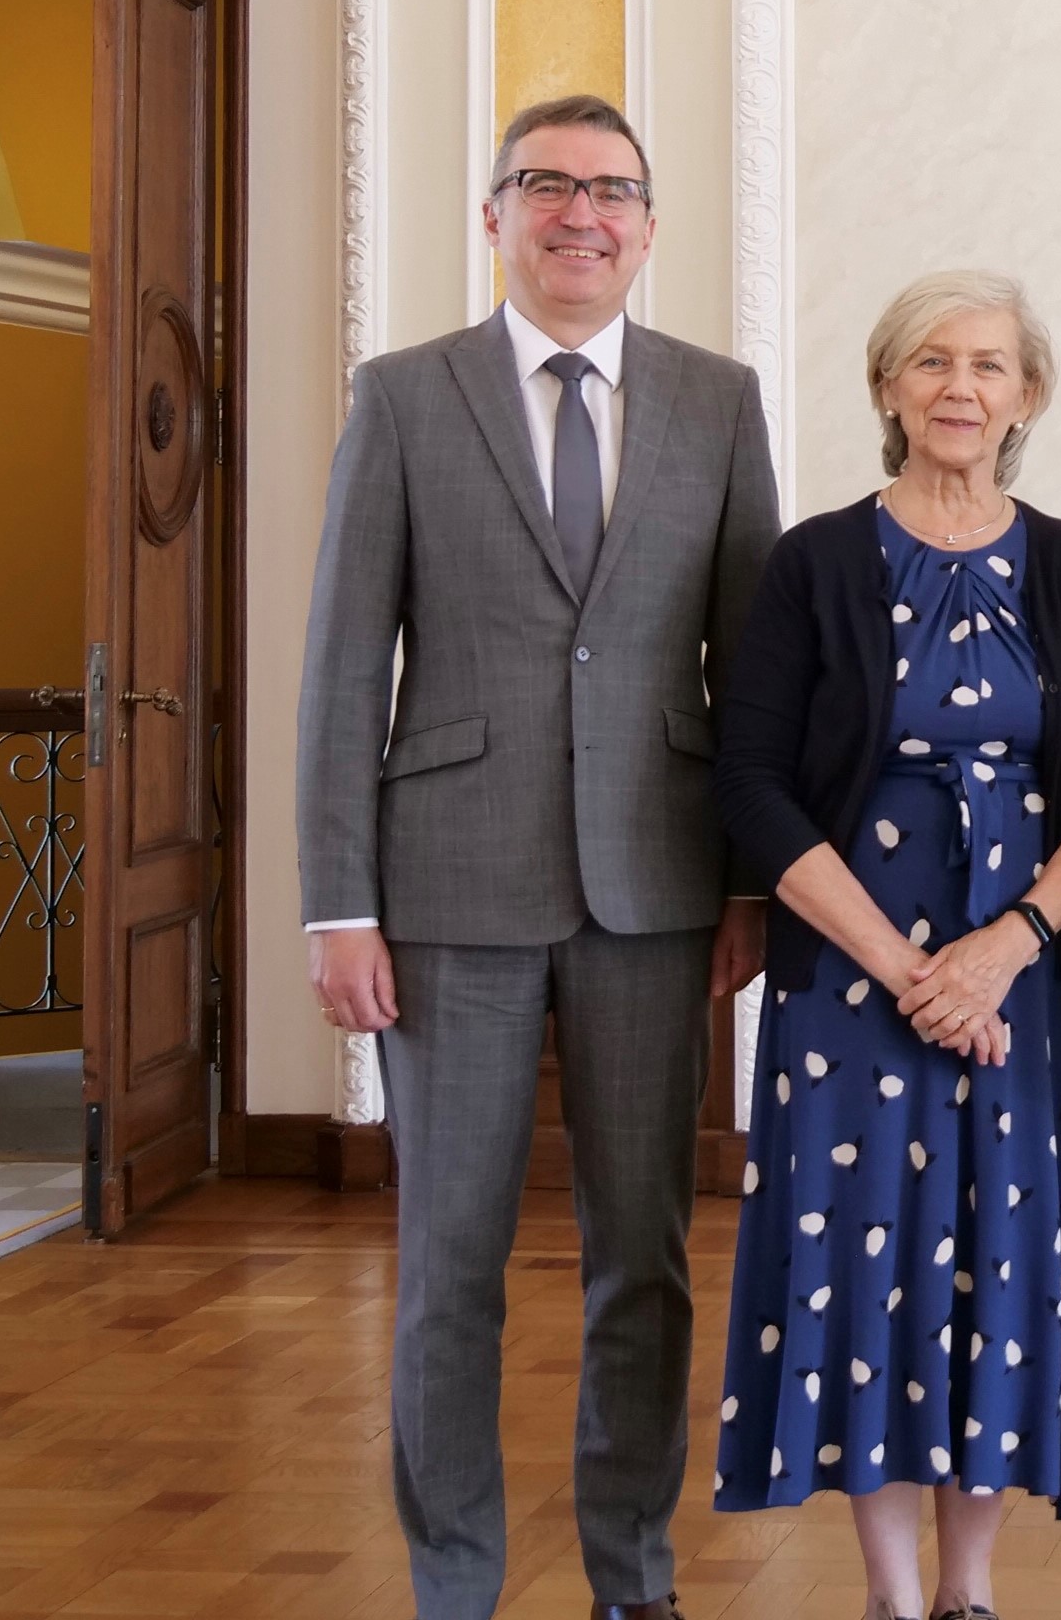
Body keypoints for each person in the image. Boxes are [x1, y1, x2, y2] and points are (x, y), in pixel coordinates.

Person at [299, 92, 781, 1620]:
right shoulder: (403, 395)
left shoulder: (718, 400)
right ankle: (456, 1578)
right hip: (448, 891)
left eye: (614, 191)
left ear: (650, 226)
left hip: (656, 890)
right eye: (548, 186)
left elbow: (751, 670)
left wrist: (754, 882)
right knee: (449, 1263)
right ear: (494, 214)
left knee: (643, 1255)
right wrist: (339, 902)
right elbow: (338, 670)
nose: (583, 213)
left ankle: (634, 1574)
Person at [708, 269, 1061, 1620]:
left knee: (995, 1266)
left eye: (991, 366)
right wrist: (909, 971)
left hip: (1020, 990)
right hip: (850, 986)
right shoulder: (815, 561)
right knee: (870, 1270)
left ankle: (971, 1593)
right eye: (934, 362)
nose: (962, 387)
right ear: (890, 386)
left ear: (1028, 398)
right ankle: (894, 1598)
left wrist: (1004, 947)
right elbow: (754, 782)